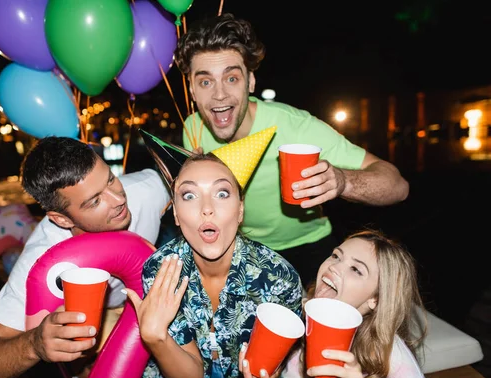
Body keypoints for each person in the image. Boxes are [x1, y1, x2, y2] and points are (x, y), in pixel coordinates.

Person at [175, 13, 410, 286]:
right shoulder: (192, 128)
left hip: (307, 250)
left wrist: (343, 181)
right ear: (191, 89)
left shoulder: (296, 127)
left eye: (231, 78)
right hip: (237, 252)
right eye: (205, 82)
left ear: (250, 82)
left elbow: (398, 186)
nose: (218, 95)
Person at [0, 136, 171, 378]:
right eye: (94, 201)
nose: (118, 200)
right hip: (96, 321)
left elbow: (200, 167)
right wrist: (34, 344)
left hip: (141, 298)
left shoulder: (145, 189)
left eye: (111, 179)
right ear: (61, 219)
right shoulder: (43, 261)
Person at [124, 151, 303, 378]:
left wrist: (271, 369)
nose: (206, 209)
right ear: (175, 213)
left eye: (221, 194)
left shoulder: (279, 277)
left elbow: (263, 377)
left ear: (240, 210)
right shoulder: (161, 271)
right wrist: (156, 338)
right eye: (189, 195)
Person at [278, 229, 436, 378]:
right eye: (336, 256)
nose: (334, 266)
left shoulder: (385, 346)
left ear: (375, 299)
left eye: (356, 269)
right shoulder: (293, 311)